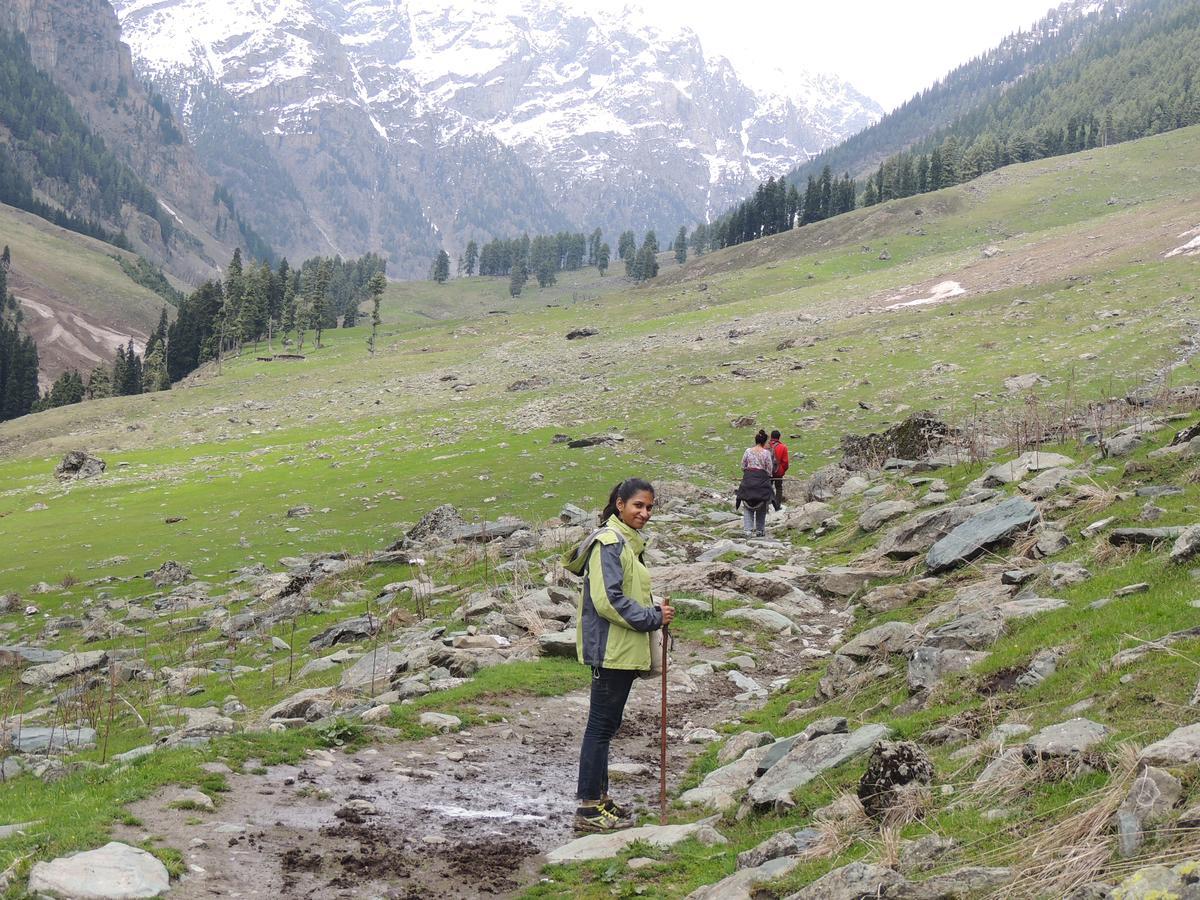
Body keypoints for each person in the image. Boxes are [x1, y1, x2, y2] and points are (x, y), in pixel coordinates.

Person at [562, 478, 675, 832]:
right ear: (620, 504)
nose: (644, 513)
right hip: (610, 648)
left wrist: (653, 610)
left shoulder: (628, 543)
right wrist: (652, 617)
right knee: (599, 727)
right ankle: (588, 809)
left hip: (622, 648)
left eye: (649, 507)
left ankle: (601, 799)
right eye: (638, 506)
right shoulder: (609, 543)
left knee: (607, 726)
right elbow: (608, 600)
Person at [737, 430, 774, 537]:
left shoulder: (748, 451)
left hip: (748, 481)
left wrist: (749, 473)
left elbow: (743, 466)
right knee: (762, 505)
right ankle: (760, 530)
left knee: (747, 504)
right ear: (764, 442)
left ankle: (748, 530)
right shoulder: (766, 453)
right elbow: (769, 470)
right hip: (761, 482)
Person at [767, 429, 789, 511]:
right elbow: (785, 462)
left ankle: (766, 506)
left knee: (767, 488)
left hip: (767, 472)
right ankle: (777, 505)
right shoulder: (783, 447)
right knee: (779, 488)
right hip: (778, 472)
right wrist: (782, 470)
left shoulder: (766, 446)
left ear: (771, 437)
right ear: (779, 437)